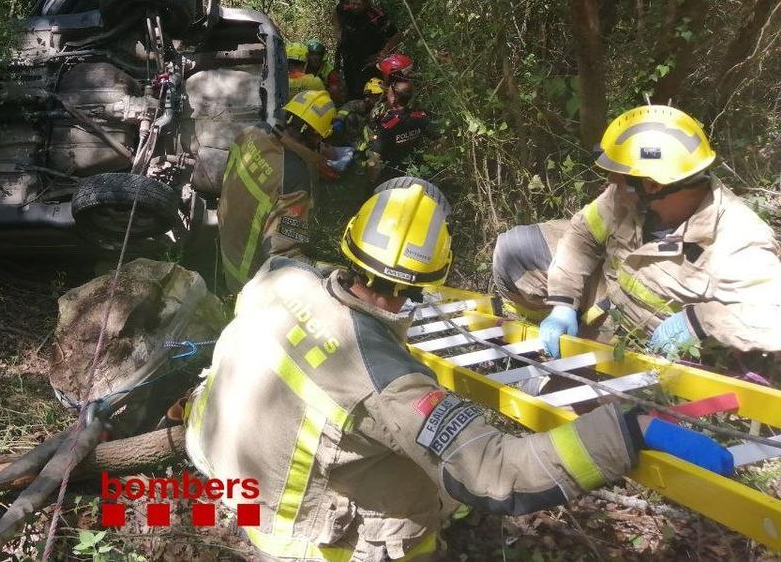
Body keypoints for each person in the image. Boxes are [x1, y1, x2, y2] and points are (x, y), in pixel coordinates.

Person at [186, 177, 732, 562]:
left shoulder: (278, 276)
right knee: (417, 511)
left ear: (351, 244)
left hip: (225, 462)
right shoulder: (388, 382)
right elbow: (499, 473)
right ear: (431, 279)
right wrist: (628, 431)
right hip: (290, 530)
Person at [492, 105, 781, 360]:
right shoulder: (630, 194)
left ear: (653, 185)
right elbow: (583, 235)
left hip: (652, 347)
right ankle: (543, 329)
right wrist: (562, 303)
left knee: (555, 400)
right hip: (611, 297)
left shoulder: (739, 241)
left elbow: (774, 319)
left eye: (617, 176)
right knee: (515, 249)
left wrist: (701, 322)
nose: (609, 182)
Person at [217, 89, 336, 292]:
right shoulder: (294, 177)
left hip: (224, 244)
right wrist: (326, 272)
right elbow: (283, 256)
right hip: (247, 282)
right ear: (316, 137)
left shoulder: (251, 132)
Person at [362, 81, 434, 183]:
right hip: (417, 172)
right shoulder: (420, 118)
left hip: (392, 178)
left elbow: (373, 163)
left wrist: (370, 182)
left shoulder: (387, 125)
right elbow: (440, 140)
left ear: (393, 98)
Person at [333, 0, 395, 100]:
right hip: (349, 57)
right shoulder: (345, 8)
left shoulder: (377, 16)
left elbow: (395, 34)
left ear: (366, 4)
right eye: (353, 3)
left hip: (369, 60)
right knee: (350, 87)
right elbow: (335, 13)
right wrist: (338, 31)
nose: (355, 7)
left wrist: (383, 52)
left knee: (367, 90)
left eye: (359, 4)